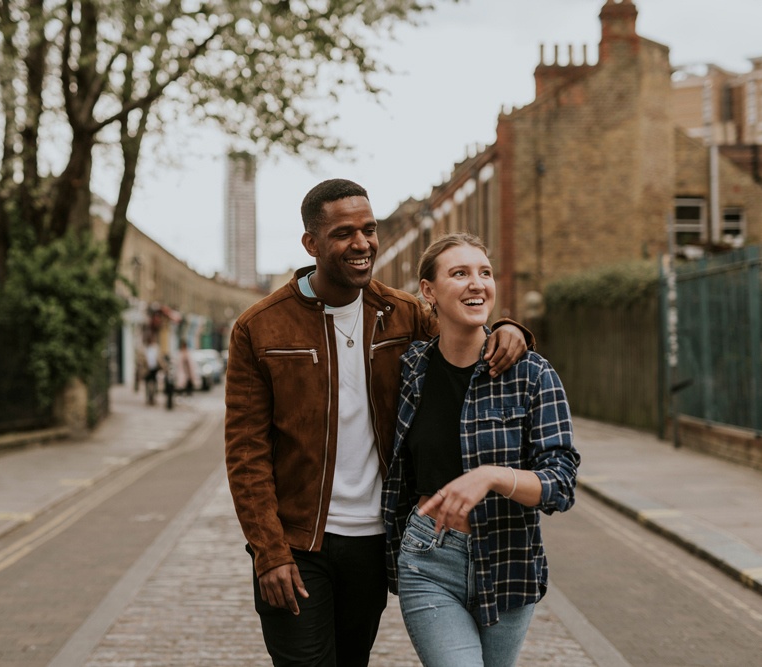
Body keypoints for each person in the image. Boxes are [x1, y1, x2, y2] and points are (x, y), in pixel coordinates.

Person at [224, 179, 533, 667]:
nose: (363, 243)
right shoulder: (260, 327)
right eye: (345, 232)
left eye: (368, 230)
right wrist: (269, 551)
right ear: (311, 243)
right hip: (298, 542)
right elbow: (246, 452)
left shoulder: (405, 314)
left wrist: (509, 329)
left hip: (374, 541)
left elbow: (465, 341)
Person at [382, 233, 580, 667]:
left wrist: (491, 476)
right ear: (428, 292)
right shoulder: (409, 369)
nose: (477, 283)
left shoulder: (531, 374)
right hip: (428, 559)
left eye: (484, 273)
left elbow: (561, 483)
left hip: (509, 560)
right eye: (460, 273)